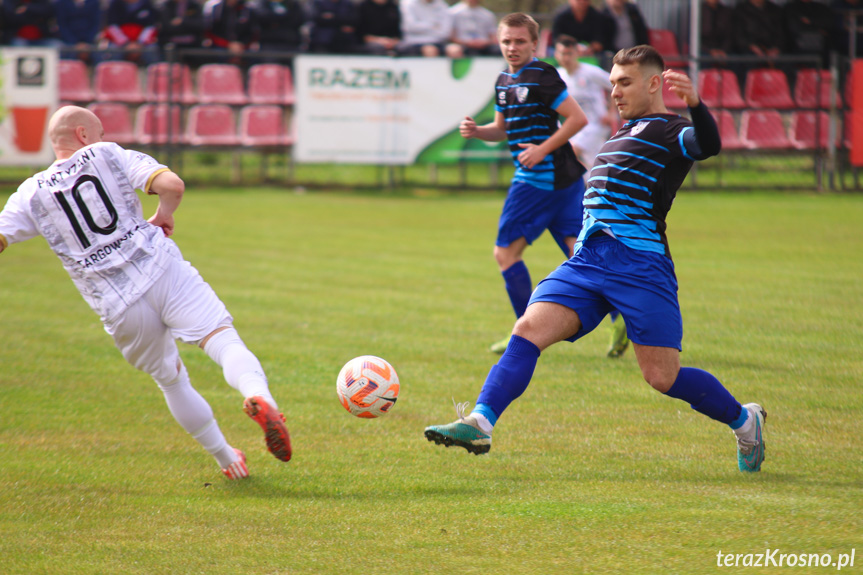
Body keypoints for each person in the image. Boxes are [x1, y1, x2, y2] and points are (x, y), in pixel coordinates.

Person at [425, 45, 767, 474]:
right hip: (587, 262)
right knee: (527, 329)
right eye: (612, 84)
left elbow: (708, 144)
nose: (615, 93)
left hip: (640, 266)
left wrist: (696, 105)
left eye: (624, 83)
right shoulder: (622, 132)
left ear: (654, 83)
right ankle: (481, 421)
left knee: (663, 377)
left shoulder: (672, 129)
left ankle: (744, 420)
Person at [0, 106, 292, 480]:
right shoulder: (107, 154)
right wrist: (164, 213)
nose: (102, 139)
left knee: (171, 380)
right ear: (85, 136)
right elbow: (173, 185)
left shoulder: (28, 193)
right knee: (222, 341)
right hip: (159, 268)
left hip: (117, 302)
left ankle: (227, 459)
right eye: (100, 133)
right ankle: (261, 399)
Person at [457, 13, 588, 354]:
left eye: (519, 41)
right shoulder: (504, 80)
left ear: (535, 43)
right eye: (506, 41)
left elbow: (578, 118)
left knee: (505, 253)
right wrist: (478, 131)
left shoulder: (542, 76)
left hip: (537, 180)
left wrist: (541, 149)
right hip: (567, 180)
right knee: (582, 255)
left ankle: (525, 333)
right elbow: (501, 129)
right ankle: (622, 321)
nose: (512, 47)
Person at [554, 33, 628, 357]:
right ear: (556, 53)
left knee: (578, 159)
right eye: (562, 51)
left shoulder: (590, 72)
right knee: (586, 184)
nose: (567, 56)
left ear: (576, 51)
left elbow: (614, 84)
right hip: (576, 130)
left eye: (571, 51)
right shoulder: (558, 76)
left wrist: (612, 114)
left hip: (593, 129)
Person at [101, 0, 161, 65]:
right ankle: (114, 73)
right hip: (120, 43)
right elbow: (111, 27)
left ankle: (153, 74)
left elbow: (151, 27)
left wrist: (139, 43)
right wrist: (126, 43)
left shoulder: (147, 4)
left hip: (143, 43)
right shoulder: (115, 4)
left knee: (152, 49)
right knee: (112, 50)